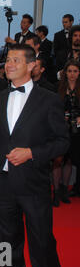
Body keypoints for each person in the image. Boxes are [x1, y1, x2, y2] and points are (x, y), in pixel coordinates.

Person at [0, 44, 69, 267]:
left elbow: (62, 141)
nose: (9, 65)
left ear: (32, 66)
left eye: (15, 60)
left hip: (33, 183)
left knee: (42, 241)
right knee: (6, 243)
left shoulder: (49, 99)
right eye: (8, 60)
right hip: (1, 184)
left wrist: (32, 152)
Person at [52, 60, 80, 205]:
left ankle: (64, 190)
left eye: (75, 71)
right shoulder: (58, 88)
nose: (72, 74)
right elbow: (51, 107)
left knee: (69, 160)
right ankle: (55, 192)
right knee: (58, 160)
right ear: (65, 73)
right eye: (69, 71)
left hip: (76, 130)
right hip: (59, 128)